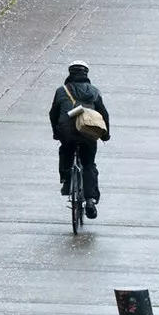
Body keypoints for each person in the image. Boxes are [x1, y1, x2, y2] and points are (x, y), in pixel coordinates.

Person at [49, 61, 110, 218]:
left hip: (67, 132)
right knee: (89, 164)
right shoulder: (94, 91)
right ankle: (90, 199)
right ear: (86, 74)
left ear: (70, 73)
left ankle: (66, 179)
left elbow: (53, 113)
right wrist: (105, 134)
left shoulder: (61, 91)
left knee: (65, 150)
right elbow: (103, 113)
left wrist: (56, 132)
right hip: (88, 132)